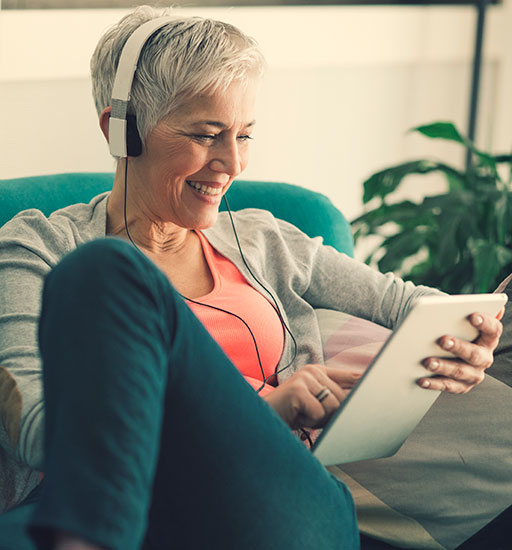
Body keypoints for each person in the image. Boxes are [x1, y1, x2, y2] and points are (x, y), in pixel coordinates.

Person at [0, 6, 503, 550]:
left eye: (245, 135)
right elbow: (34, 430)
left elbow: (410, 303)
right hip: (144, 505)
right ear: (121, 131)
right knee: (104, 270)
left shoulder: (264, 239)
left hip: (286, 503)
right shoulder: (40, 248)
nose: (233, 163)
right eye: (207, 135)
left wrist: (466, 338)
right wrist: (264, 409)